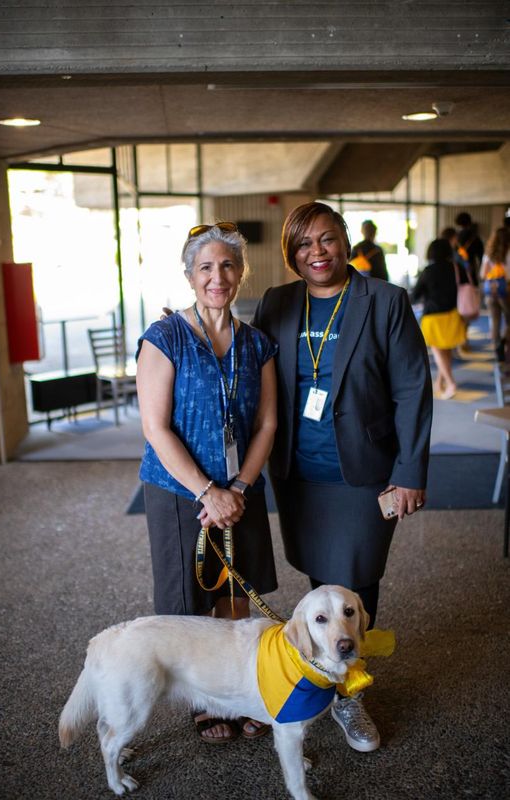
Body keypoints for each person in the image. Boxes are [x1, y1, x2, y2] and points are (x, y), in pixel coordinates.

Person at [252, 201, 432, 753]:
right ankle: (322, 679)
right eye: (304, 244)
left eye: (326, 239)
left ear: (345, 240)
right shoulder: (279, 302)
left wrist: (409, 471)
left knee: (356, 584)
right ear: (292, 252)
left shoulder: (384, 301)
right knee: (320, 590)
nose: (317, 253)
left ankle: (351, 695)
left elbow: (412, 388)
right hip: (298, 472)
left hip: (363, 474)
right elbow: (250, 369)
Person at [136, 222, 278, 743]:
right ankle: (203, 699)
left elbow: (266, 424)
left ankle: (241, 690)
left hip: (241, 490)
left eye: (227, 266)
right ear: (190, 276)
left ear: (240, 273)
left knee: (238, 599)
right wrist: (207, 491)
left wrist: (238, 487)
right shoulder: (165, 337)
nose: (217, 277)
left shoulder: (257, 344)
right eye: (205, 268)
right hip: (179, 491)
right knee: (190, 602)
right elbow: (155, 427)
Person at [411, 238, 467, 399]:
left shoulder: (428, 271)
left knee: (437, 351)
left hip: (433, 317)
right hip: (453, 315)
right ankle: (440, 382)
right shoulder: (456, 268)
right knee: (446, 350)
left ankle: (451, 383)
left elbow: (415, 295)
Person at [480, 226, 510, 361]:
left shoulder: (488, 254)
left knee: (495, 321)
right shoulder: (508, 252)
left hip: (490, 292)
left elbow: (482, 274)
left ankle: (498, 347)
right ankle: (505, 340)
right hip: (506, 291)